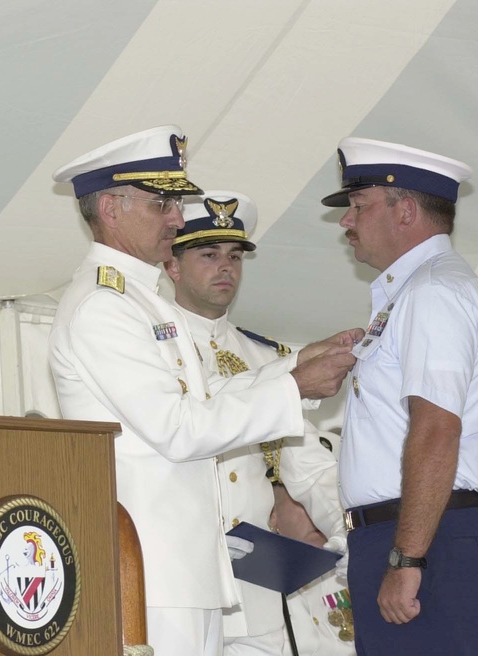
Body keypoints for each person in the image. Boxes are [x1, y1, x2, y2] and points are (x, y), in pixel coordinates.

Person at [49, 125, 357, 656]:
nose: (175, 216)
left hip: (186, 573)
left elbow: (206, 397)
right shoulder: (103, 306)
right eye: (162, 201)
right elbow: (180, 429)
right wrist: (292, 386)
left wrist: (292, 370)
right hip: (150, 572)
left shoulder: (144, 302)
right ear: (112, 207)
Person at [325, 137, 478, 655]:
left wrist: (406, 560)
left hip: (428, 540)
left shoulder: (433, 292)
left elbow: (436, 429)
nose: (346, 221)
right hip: (417, 535)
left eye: (358, 206)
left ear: (404, 210)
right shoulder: (415, 291)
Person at [164, 191, 346, 655]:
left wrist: (350, 540)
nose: (225, 267)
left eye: (234, 256)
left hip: (256, 595)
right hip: (177, 588)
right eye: (208, 254)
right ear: (172, 265)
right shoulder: (150, 352)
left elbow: (308, 469)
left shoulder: (269, 359)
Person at [269, 431, 355, 656]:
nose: (316, 513)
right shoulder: (261, 590)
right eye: (301, 499)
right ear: (272, 514)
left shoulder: (351, 573)